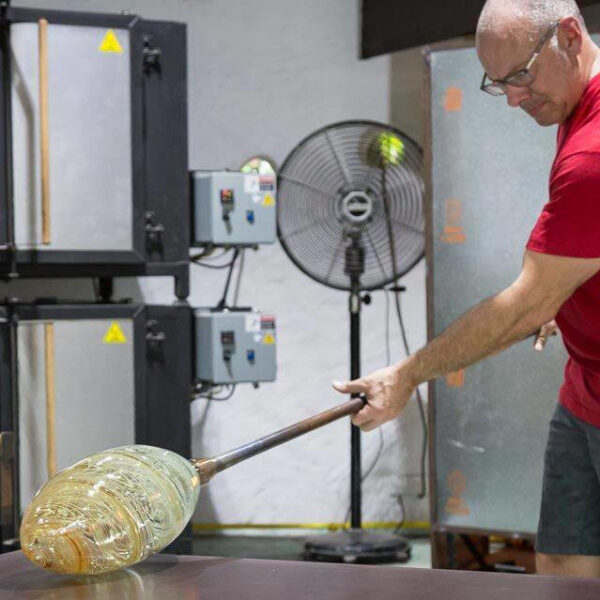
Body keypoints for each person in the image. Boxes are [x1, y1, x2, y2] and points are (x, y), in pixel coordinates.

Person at [333, 0, 600, 578]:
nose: (511, 98)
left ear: (571, 36)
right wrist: (571, 295)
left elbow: (521, 306)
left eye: (520, 76)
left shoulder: (592, 155)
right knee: (562, 562)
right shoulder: (579, 108)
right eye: (496, 82)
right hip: (586, 390)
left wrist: (405, 376)